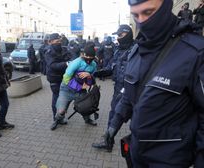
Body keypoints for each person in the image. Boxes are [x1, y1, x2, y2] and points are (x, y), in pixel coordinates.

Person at [96, 0, 204, 167]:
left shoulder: (196, 52)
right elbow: (128, 95)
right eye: (135, 15)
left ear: (167, 5)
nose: (142, 21)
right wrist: (113, 126)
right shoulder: (136, 51)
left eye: (148, 12)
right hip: (137, 154)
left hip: (170, 160)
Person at [92, 24, 134, 152]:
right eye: (118, 36)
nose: (119, 38)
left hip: (133, 90)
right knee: (114, 114)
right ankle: (108, 141)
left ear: (129, 34)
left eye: (121, 35)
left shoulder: (137, 49)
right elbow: (111, 67)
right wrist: (99, 72)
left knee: (137, 119)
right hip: (118, 89)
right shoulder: (117, 50)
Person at [50, 42, 98, 130]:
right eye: (86, 57)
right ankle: (58, 120)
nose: (88, 60)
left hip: (81, 92)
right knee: (61, 110)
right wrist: (80, 87)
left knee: (86, 107)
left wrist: (89, 76)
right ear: (83, 55)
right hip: (67, 89)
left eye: (91, 58)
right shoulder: (76, 62)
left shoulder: (94, 65)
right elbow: (66, 79)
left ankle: (87, 119)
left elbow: (94, 77)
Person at [45, 33, 70, 122]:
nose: (59, 43)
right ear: (50, 42)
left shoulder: (63, 49)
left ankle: (61, 116)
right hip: (54, 78)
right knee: (56, 98)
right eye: (56, 41)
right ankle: (55, 118)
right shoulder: (49, 52)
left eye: (60, 41)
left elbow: (69, 57)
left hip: (64, 77)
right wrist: (66, 64)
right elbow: (53, 65)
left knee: (64, 97)